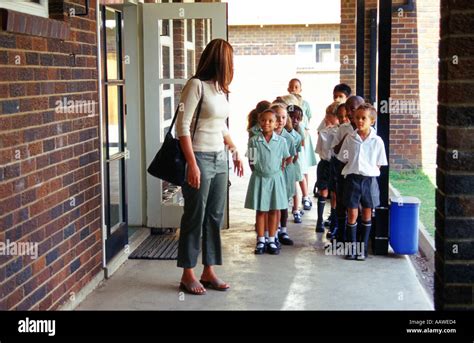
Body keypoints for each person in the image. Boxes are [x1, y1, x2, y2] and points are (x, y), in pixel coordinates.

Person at [176, 39, 244, 295]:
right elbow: (183, 127)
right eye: (230, 60)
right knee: (194, 216)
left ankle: (209, 270)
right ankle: (187, 273)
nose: (232, 65)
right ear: (220, 60)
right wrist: (192, 164)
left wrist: (234, 150)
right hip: (200, 158)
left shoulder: (219, 89)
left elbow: (221, 125)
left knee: (215, 216)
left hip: (219, 159)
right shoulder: (196, 86)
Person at [337, 103, 388, 260]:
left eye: (364, 118)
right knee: (352, 213)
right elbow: (343, 158)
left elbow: (379, 162)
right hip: (353, 179)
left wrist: (369, 170)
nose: (359, 121)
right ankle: (352, 248)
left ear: (372, 121)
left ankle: (363, 248)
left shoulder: (377, 141)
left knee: (367, 212)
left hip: (369, 180)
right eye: (357, 118)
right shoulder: (350, 139)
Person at [245, 109, 291, 255]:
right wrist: (259, 172)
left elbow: (285, 159)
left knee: (274, 209)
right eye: (263, 120)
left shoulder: (282, 141)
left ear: (276, 123)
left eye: (270, 121)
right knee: (261, 210)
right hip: (259, 177)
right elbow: (251, 161)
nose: (267, 123)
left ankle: (271, 239)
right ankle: (261, 240)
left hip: (275, 178)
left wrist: (275, 171)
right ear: (259, 122)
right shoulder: (253, 140)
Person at [332, 96, 364, 243]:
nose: (350, 113)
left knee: (358, 205)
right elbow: (337, 151)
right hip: (344, 171)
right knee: (341, 203)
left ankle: (358, 238)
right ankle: (340, 236)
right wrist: (345, 139)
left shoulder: (367, 129)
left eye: (353, 109)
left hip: (360, 174)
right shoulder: (343, 128)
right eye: (348, 109)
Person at [287, 79, 316, 211]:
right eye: (291, 86)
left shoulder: (305, 104)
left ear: (300, 89)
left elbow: (307, 118)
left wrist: (302, 129)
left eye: (296, 86)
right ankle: (293, 197)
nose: (294, 88)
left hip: (302, 137)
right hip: (291, 139)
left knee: (303, 168)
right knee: (294, 170)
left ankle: (305, 196)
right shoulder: (287, 103)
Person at [272, 103, 296, 246]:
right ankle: (272, 232)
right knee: (272, 203)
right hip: (271, 174)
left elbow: (291, 157)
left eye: (283, 117)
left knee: (283, 203)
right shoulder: (264, 136)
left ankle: (283, 230)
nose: (280, 120)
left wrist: (282, 166)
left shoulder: (290, 138)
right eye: (277, 117)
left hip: (285, 173)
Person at [315, 102, 340, 234]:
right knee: (323, 191)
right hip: (325, 163)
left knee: (334, 194)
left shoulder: (341, 132)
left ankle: (334, 222)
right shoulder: (324, 132)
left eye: (329, 115)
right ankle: (319, 220)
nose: (326, 117)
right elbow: (319, 150)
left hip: (334, 164)